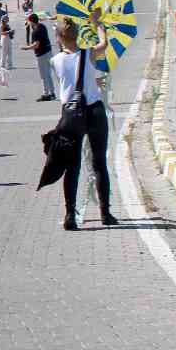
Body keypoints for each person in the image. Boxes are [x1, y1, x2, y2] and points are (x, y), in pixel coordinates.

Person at [53, 15, 117, 230]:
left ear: (59, 37)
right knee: (99, 163)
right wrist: (99, 26)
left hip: (71, 114)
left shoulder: (56, 61)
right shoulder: (89, 54)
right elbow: (104, 44)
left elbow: (68, 82)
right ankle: (106, 213)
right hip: (95, 111)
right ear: (77, 35)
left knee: (72, 166)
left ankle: (70, 214)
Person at [26, 14, 57, 101]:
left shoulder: (35, 32)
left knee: (43, 75)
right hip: (48, 51)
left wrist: (26, 48)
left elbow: (36, 45)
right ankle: (52, 93)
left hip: (41, 54)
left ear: (31, 21)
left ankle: (46, 93)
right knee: (48, 74)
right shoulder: (42, 26)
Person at [0, 17, 16, 83]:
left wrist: (12, 32)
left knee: (10, 52)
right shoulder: (2, 25)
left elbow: (9, 32)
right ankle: (2, 65)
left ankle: (10, 65)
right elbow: (2, 33)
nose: (8, 19)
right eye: (7, 18)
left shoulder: (8, 25)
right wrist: (9, 31)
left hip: (8, 39)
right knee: (4, 52)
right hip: (4, 39)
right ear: (4, 19)